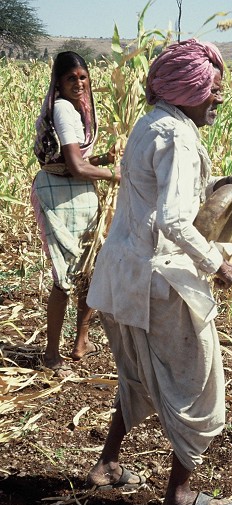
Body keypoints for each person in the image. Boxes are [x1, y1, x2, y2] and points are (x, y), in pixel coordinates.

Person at [86, 39, 232, 505]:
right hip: (160, 284)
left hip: (121, 277)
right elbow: (173, 221)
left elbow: (169, 198)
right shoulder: (180, 137)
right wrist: (217, 263)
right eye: (213, 88)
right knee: (200, 384)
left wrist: (229, 182)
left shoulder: (151, 125)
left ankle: (108, 464)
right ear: (189, 87)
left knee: (136, 373)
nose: (220, 97)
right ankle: (179, 494)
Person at [31, 51, 120, 378]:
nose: (79, 83)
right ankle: (52, 355)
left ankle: (81, 342)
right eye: (71, 78)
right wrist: (116, 176)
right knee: (65, 279)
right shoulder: (64, 109)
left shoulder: (78, 110)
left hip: (78, 192)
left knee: (88, 274)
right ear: (59, 82)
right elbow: (74, 165)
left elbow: (77, 159)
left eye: (83, 77)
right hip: (58, 194)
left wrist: (104, 159)